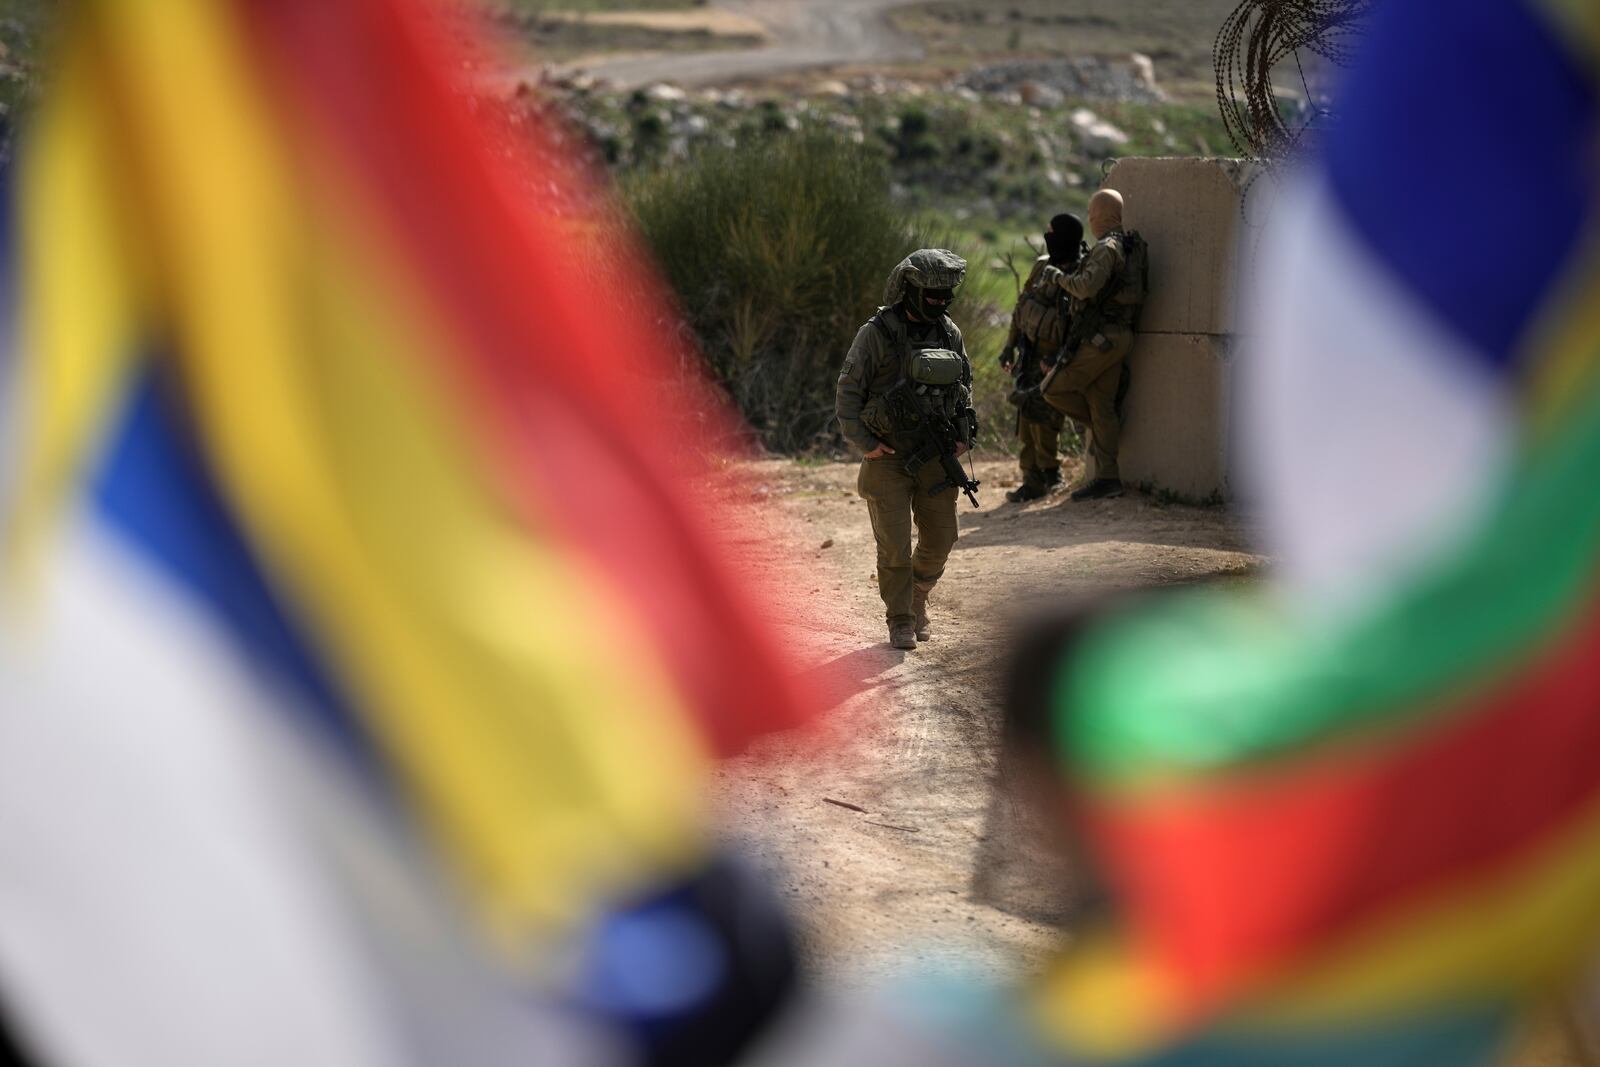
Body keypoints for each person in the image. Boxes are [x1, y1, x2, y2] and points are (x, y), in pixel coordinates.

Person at [836, 249, 976, 651]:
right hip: (889, 457)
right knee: (894, 544)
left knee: (943, 537)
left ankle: (916, 596)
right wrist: (865, 443)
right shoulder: (876, 334)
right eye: (931, 293)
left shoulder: (949, 332)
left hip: (936, 455)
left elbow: (964, 388)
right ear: (909, 290)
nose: (940, 300)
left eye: (945, 293)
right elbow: (848, 392)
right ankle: (900, 619)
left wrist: (965, 431)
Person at [1040, 189, 1146, 501]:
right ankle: (1108, 478)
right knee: (1102, 407)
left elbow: (1085, 288)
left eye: (1092, 213)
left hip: (1102, 340)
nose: (1090, 219)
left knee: (1051, 388)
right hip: (1118, 337)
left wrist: (1058, 277)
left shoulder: (1107, 248)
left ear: (1099, 215)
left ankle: (1105, 435)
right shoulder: (1125, 244)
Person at [999, 213, 1084, 503]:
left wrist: (1060, 356)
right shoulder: (1040, 267)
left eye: (1052, 233)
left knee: (1046, 420)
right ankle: (1031, 479)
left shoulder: (1077, 276)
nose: (1047, 237)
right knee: (1026, 420)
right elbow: (1021, 309)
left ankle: (1051, 472)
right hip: (1029, 354)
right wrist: (1009, 346)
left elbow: (1079, 324)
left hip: (1054, 358)